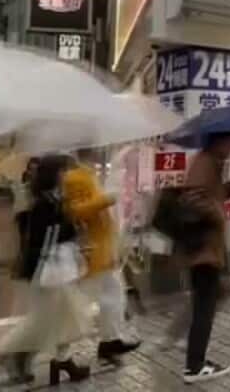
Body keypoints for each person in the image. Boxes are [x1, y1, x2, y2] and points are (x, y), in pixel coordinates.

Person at [0, 154, 93, 386]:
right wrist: (71, 227)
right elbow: (44, 238)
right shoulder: (42, 203)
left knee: (64, 317)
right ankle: (9, 352)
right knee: (43, 320)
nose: (67, 175)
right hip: (48, 271)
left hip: (58, 269)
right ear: (54, 174)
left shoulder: (53, 199)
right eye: (64, 170)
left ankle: (61, 360)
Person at [177, 132, 230, 383]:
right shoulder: (204, 162)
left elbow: (210, 196)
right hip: (202, 250)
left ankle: (196, 359)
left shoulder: (211, 163)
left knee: (207, 303)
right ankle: (194, 366)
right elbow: (193, 200)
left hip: (207, 249)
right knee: (204, 307)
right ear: (220, 141)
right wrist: (217, 212)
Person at [63, 151, 140, 363]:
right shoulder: (75, 177)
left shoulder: (89, 175)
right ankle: (59, 349)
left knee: (112, 295)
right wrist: (105, 199)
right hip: (91, 248)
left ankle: (110, 342)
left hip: (103, 246)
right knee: (85, 302)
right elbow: (76, 211)